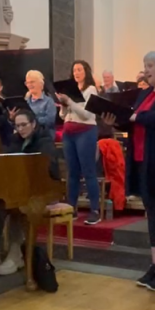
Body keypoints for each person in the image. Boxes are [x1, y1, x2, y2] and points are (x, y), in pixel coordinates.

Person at [102, 52, 155, 292]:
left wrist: (136, 116)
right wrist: (115, 121)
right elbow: (133, 122)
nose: (146, 70)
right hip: (143, 162)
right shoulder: (145, 94)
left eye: (150, 66)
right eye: (144, 66)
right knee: (152, 214)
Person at [0, 109, 62, 275]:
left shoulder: (44, 141)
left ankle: (16, 253)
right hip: (21, 187)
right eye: (17, 126)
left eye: (24, 125)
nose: (21, 129)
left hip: (44, 189)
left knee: (17, 208)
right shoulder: (15, 140)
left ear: (34, 124)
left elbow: (48, 168)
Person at [57, 60, 102, 225]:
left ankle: (95, 210)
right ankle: (72, 207)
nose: (76, 73)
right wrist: (63, 105)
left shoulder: (91, 90)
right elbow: (63, 116)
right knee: (72, 172)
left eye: (79, 70)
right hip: (69, 132)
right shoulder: (70, 90)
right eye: (74, 70)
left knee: (88, 171)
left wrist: (69, 102)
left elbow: (87, 115)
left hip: (85, 131)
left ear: (86, 72)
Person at [24, 70, 57, 140]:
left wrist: (32, 121)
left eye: (32, 82)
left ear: (41, 84)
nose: (29, 85)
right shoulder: (25, 102)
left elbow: (50, 121)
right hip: (27, 136)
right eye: (27, 83)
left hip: (45, 136)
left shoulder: (48, 101)